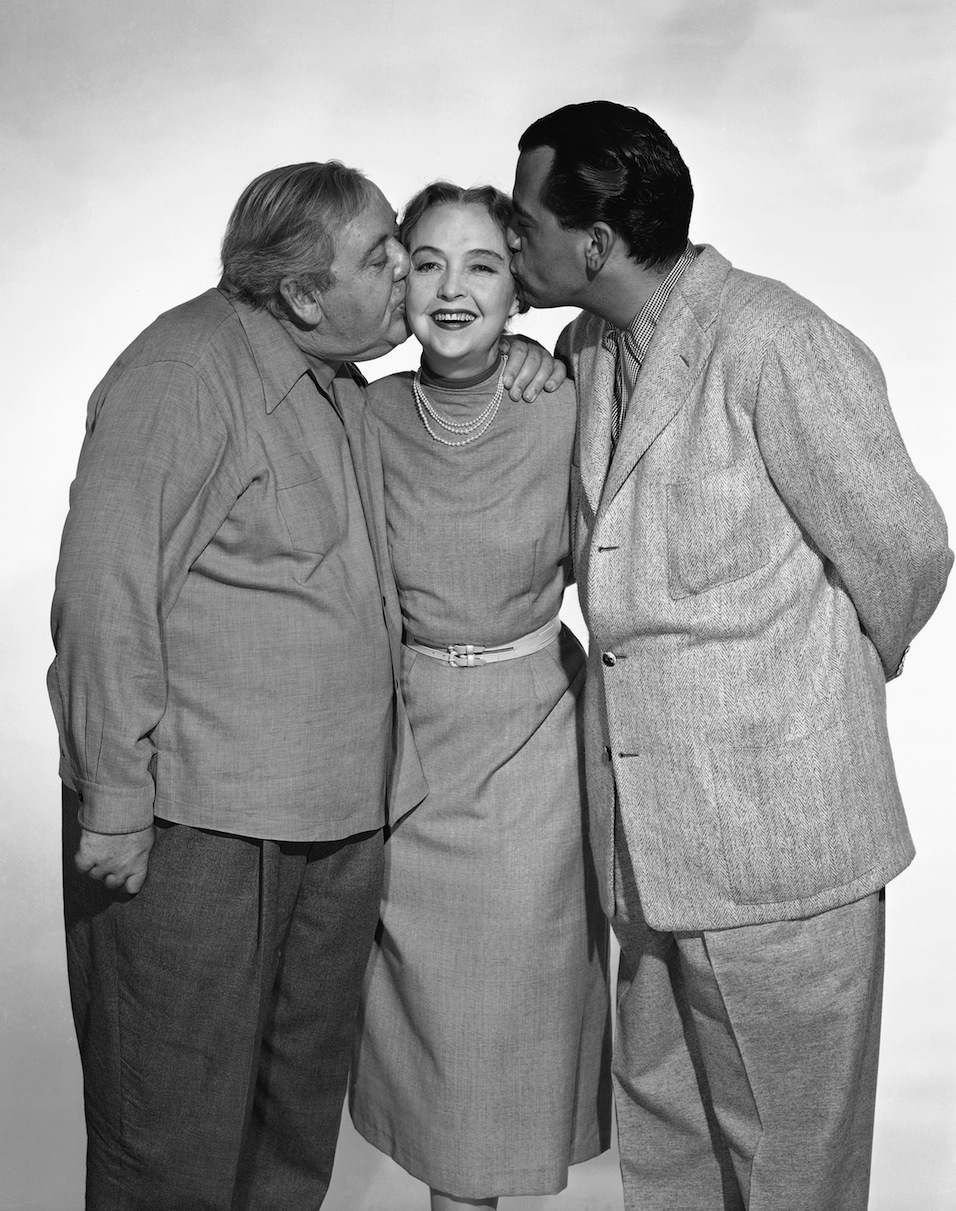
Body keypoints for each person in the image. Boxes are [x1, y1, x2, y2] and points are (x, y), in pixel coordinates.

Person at [48, 159, 563, 1211]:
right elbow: (104, 594)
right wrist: (113, 801)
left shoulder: (338, 383)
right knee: (171, 1139)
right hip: (200, 829)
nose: (407, 278)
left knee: (286, 1138)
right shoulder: (184, 373)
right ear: (301, 292)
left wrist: (517, 354)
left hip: (336, 826)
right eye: (384, 258)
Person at [508, 100, 952, 1211]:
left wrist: (804, 694)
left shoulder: (775, 341)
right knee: (669, 1145)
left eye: (524, 221)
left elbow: (906, 549)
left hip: (779, 834)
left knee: (789, 1162)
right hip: (644, 839)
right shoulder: (580, 349)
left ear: (595, 242)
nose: (511, 239)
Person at [348, 182, 611, 1211]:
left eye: (482, 266)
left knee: (503, 1029)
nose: (451, 289)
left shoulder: (563, 402)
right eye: (426, 263)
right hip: (406, 749)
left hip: (531, 744)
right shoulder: (364, 415)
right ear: (397, 281)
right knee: (428, 1032)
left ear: (517, 291)